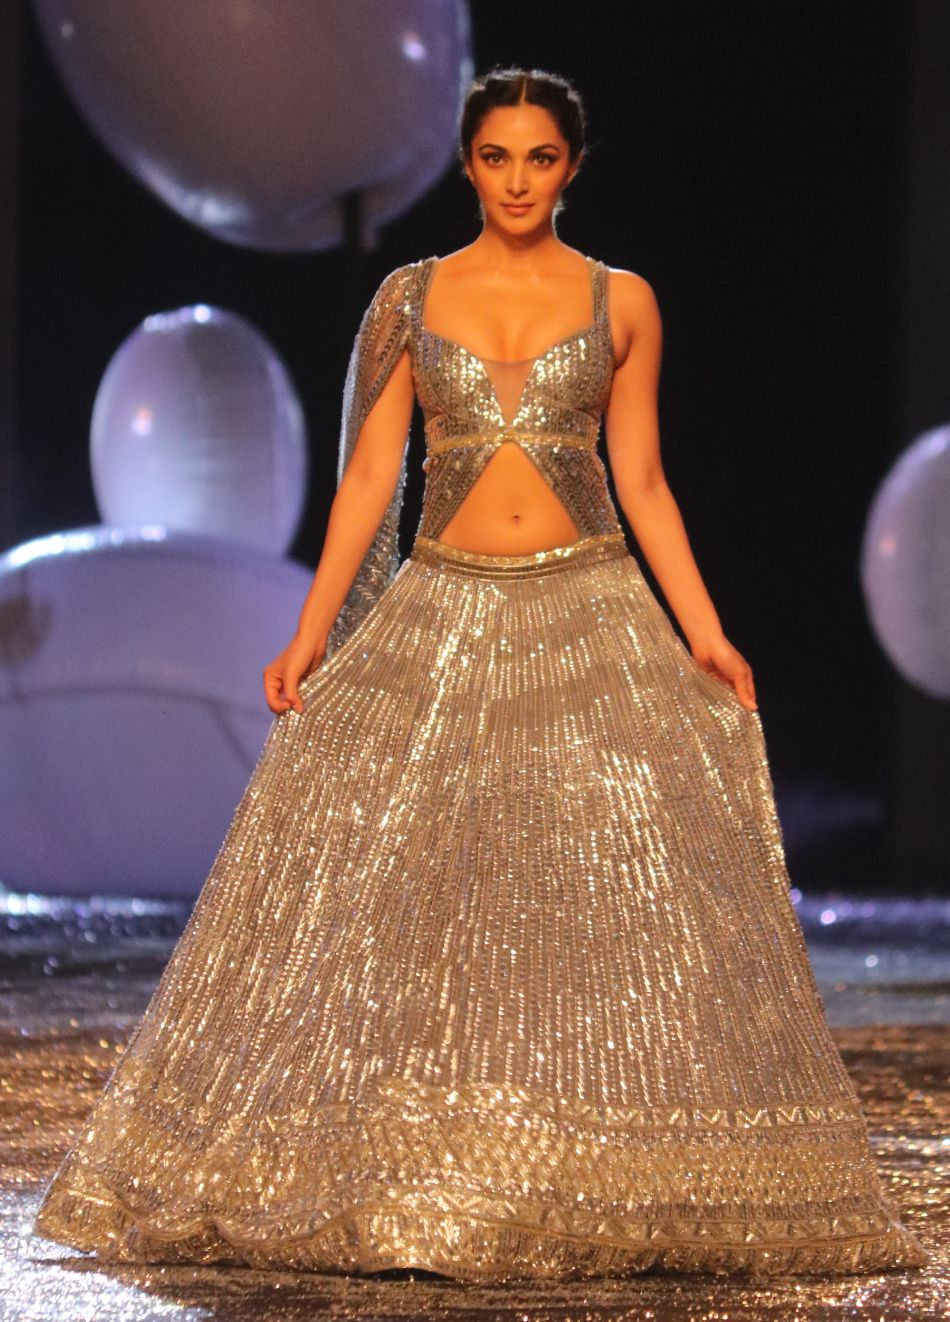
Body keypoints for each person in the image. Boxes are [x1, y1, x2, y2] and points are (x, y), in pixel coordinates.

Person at [32, 66, 928, 1284]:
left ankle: (591, 1166)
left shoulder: (620, 301)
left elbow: (642, 481)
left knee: (609, 899)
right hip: (442, 606)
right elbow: (369, 477)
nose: (516, 180)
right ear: (467, 165)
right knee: (416, 902)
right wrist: (309, 632)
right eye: (496, 157)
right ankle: (420, 1165)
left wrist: (705, 631)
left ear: (571, 166)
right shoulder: (411, 298)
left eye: (539, 158)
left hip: (588, 603)